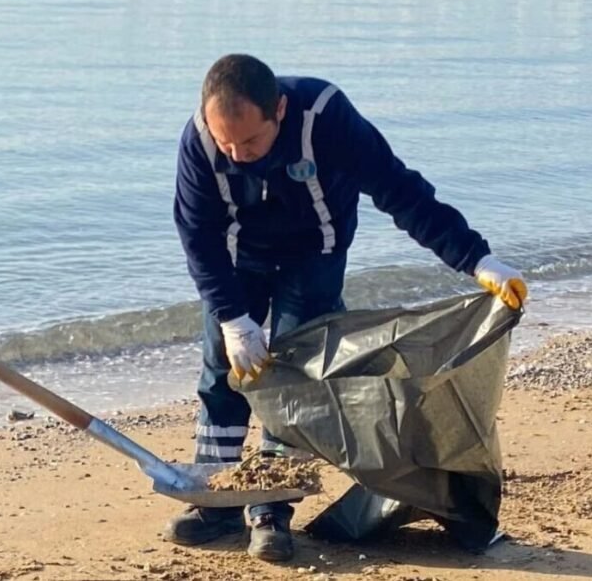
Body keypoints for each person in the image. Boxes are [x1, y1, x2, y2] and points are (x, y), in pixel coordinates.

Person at [167, 54, 527, 562]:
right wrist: (232, 318)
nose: (236, 154)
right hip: (234, 257)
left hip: (314, 252)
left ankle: (271, 508)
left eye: (249, 141)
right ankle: (216, 498)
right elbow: (197, 238)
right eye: (226, 141)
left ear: (281, 112)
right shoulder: (201, 141)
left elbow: (399, 190)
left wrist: (477, 258)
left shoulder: (327, 118)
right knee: (223, 371)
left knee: (296, 378)